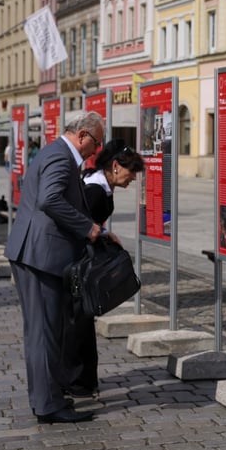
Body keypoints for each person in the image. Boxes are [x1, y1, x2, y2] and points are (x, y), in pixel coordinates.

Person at [4, 112, 105, 424]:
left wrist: (96, 227)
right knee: (43, 333)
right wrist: (87, 227)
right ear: (83, 135)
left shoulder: (56, 153)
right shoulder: (61, 157)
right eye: (96, 143)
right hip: (39, 255)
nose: (96, 150)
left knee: (44, 331)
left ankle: (48, 398)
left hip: (39, 253)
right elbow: (49, 200)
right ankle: (48, 406)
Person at [66, 139, 145, 397]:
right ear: (115, 166)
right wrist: (101, 234)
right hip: (77, 265)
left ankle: (84, 381)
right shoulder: (96, 190)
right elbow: (81, 221)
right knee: (79, 322)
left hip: (79, 262)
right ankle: (77, 382)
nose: (133, 178)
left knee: (83, 322)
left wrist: (105, 232)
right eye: (131, 171)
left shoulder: (98, 183)